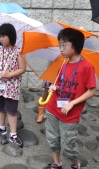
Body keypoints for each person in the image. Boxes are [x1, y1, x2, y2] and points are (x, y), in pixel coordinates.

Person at [46, 28, 96, 169]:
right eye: (59, 45)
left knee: (68, 145)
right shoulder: (63, 64)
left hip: (70, 114)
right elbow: (60, 84)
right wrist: (54, 87)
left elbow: (92, 90)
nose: (60, 49)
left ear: (75, 45)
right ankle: (56, 163)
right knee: (52, 139)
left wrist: (72, 103)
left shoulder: (86, 67)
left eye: (64, 45)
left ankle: (75, 164)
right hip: (53, 109)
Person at [0, 23, 26, 148]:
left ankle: (13, 134)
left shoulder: (18, 52)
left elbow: (22, 69)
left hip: (11, 87)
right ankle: (1, 127)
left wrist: (9, 74)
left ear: (11, 36)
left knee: (11, 110)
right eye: (0, 36)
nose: (1, 38)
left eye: (4, 35)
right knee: (0, 107)